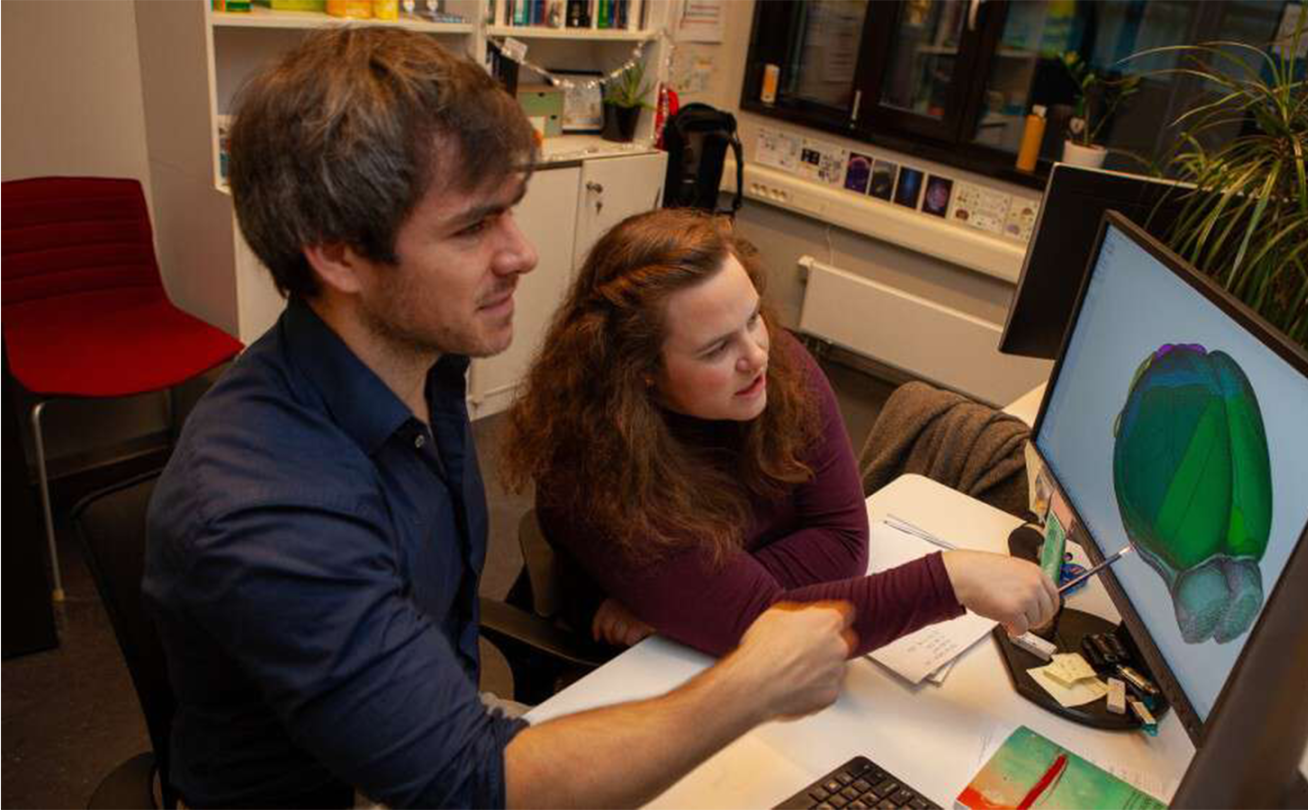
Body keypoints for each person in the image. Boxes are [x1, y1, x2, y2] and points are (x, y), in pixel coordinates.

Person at [143, 27, 855, 810]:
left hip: (431, 739)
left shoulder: (427, 364)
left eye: (511, 212)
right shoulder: (266, 503)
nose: (522, 253)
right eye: (473, 226)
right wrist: (751, 683)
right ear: (339, 256)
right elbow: (469, 786)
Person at [502, 209, 1060, 656]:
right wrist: (950, 579)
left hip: (705, 637)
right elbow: (761, 632)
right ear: (640, 372)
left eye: (752, 318)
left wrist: (704, 599)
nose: (756, 356)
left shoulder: (777, 364)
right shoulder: (594, 471)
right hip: (636, 678)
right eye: (716, 347)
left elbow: (844, 540)